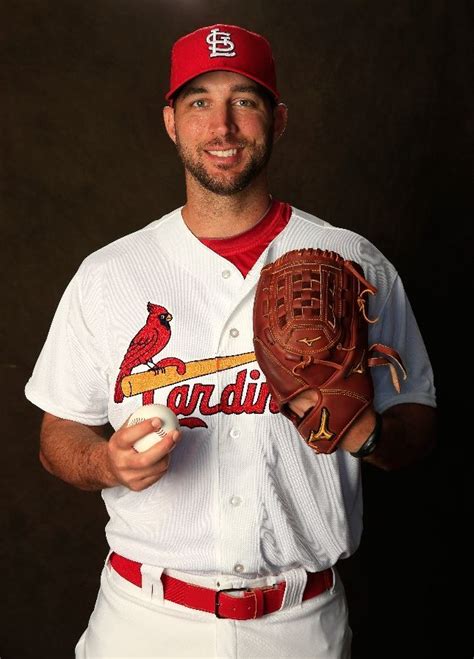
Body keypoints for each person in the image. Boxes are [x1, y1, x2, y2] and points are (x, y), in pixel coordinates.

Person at [25, 23, 437, 659]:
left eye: (244, 100)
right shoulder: (110, 273)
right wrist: (107, 463)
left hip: (303, 624)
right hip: (144, 621)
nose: (222, 126)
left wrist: (371, 435)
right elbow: (59, 437)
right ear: (170, 121)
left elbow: (418, 422)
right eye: (198, 103)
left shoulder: (355, 263)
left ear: (278, 118)